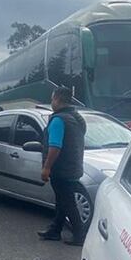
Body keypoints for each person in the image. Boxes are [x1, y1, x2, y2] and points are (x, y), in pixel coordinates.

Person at [38, 86, 88, 245]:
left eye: (52, 99)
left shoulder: (59, 119)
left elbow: (55, 146)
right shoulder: (77, 118)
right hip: (73, 166)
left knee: (67, 202)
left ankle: (80, 236)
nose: (51, 102)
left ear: (58, 99)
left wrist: (46, 167)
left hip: (61, 169)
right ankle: (55, 230)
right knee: (62, 200)